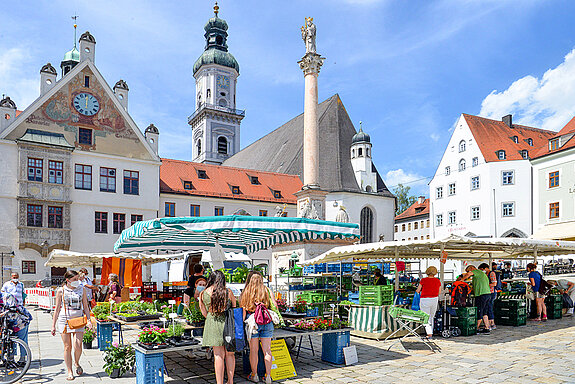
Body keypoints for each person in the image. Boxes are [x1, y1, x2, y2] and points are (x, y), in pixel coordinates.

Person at [51, 270, 93, 381]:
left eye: (78, 279)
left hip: (78, 319)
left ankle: (76, 362)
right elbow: (56, 309)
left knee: (78, 345)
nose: (77, 281)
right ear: (68, 280)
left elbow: (85, 305)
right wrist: (53, 325)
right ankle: (69, 371)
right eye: (74, 279)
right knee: (67, 347)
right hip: (64, 320)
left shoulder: (82, 289)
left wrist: (89, 320)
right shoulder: (61, 290)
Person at [198, 270, 236, 384]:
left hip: (212, 323)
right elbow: (234, 306)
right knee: (230, 353)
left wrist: (211, 317)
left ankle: (220, 383)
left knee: (218, 355)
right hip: (228, 323)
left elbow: (204, 312)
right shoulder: (228, 292)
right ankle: (230, 381)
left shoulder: (203, 293)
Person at [240, 272, 276, 384]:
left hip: (253, 323)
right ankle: (268, 376)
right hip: (267, 321)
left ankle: (254, 375)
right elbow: (275, 305)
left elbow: (243, 311)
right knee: (267, 351)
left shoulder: (245, 293)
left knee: (253, 351)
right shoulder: (267, 291)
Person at [1, 272, 32, 366]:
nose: (15, 278)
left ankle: (22, 359)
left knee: (21, 339)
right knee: (10, 338)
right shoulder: (6, 285)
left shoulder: (9, 297)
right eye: (14, 277)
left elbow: (16, 305)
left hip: (20, 319)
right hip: (10, 319)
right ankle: (11, 359)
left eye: (16, 277)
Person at [461, 265, 492, 333]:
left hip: (481, 295)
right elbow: (475, 286)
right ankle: (487, 327)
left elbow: (469, 274)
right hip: (487, 294)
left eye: (468, 271)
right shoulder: (480, 275)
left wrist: (462, 280)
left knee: (479, 311)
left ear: (472, 268)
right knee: (484, 312)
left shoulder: (477, 271)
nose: (468, 273)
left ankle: (476, 328)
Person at [416, 266, 441, 338]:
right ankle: (430, 332)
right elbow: (439, 292)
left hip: (425, 299)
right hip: (434, 299)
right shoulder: (437, 280)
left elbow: (418, 290)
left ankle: (429, 333)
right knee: (431, 316)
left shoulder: (423, 280)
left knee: (426, 316)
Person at [479, 263, 497, 330]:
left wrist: (485, 285)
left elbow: (494, 283)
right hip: (487, 292)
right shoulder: (485, 274)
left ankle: (492, 323)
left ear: (485, 268)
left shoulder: (491, 273)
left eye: (482, 269)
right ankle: (488, 323)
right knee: (487, 307)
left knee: (489, 307)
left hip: (491, 292)